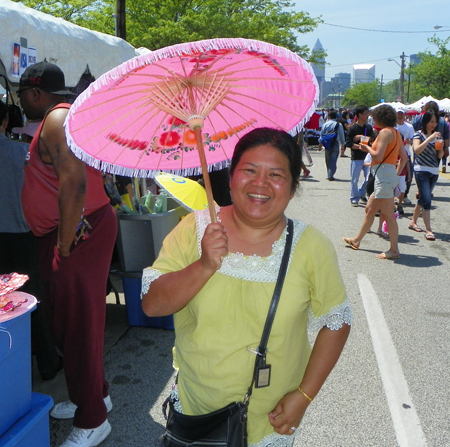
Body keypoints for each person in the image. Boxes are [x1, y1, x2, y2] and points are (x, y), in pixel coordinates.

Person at [142, 127, 351, 447]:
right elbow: (153, 304)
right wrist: (204, 266)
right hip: (197, 413)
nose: (260, 184)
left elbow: (337, 323)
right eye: (249, 170)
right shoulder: (193, 229)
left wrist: (304, 395)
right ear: (231, 176)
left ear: (294, 186)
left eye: (276, 174)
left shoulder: (312, 247)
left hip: (271, 422)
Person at [18, 61, 117, 447]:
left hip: (78, 230)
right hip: (72, 230)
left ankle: (93, 420)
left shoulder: (57, 119)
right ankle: (95, 395)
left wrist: (62, 244)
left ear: (37, 92)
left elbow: (73, 183)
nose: (21, 102)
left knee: (77, 327)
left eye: (23, 94)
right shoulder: (62, 117)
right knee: (72, 325)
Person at [0, 103, 61, 381]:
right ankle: (47, 361)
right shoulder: (21, 153)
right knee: (30, 301)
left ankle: (9, 366)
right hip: (24, 238)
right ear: (5, 122)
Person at [343, 104, 408, 260]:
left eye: (374, 117)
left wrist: (367, 149)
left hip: (383, 175)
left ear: (380, 118)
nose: (372, 119)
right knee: (370, 209)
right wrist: (395, 173)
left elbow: (377, 156)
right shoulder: (396, 133)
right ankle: (357, 240)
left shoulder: (385, 132)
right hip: (387, 174)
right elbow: (404, 157)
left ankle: (394, 249)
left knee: (387, 214)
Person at [408, 110, 444, 241]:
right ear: (425, 122)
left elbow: (439, 156)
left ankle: (413, 222)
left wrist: (441, 148)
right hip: (421, 170)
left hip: (434, 171)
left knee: (423, 197)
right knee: (427, 200)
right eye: (431, 121)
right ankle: (429, 230)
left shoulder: (437, 137)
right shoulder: (418, 135)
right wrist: (429, 138)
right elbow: (416, 150)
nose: (433, 124)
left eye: (435, 122)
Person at [346, 106, 374, 206]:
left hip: (368, 157)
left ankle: (362, 192)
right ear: (360, 115)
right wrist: (358, 146)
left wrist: (363, 138)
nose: (367, 115)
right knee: (354, 179)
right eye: (366, 113)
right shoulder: (353, 128)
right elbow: (348, 143)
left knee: (368, 178)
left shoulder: (368, 127)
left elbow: (373, 139)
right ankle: (354, 197)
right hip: (356, 157)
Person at [412, 101, 449, 173]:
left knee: (418, 162)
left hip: (421, 146)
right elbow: (446, 136)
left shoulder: (419, 118)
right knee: (435, 162)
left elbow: (411, 127)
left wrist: (413, 139)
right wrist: (446, 148)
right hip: (436, 149)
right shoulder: (443, 121)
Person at [318, 110, 345, 181]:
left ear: (329, 116)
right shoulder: (339, 125)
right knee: (333, 160)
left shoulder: (325, 124)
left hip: (327, 144)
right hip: (335, 143)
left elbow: (322, 135)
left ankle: (329, 173)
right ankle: (330, 174)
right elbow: (342, 135)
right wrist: (343, 144)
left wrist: (320, 145)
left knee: (328, 160)